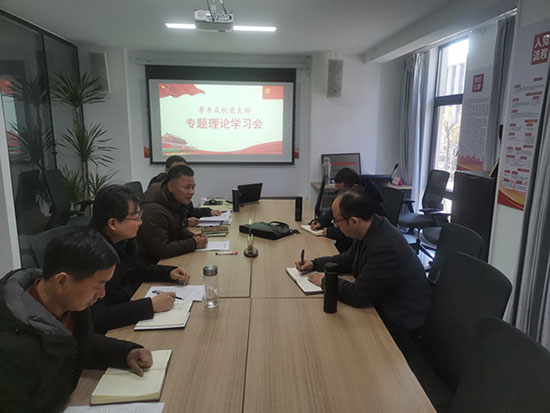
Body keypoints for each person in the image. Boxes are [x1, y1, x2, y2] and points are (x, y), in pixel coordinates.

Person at [0, 227, 153, 412]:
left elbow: (78, 345)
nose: (102, 294)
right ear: (62, 281)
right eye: (98, 285)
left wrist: (124, 353)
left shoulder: (71, 305)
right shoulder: (10, 348)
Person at [297, 189, 431, 336]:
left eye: (337, 222)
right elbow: (350, 258)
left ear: (353, 221)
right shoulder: (371, 226)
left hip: (401, 322)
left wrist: (327, 281)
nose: (336, 226)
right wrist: (315, 264)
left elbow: (359, 295)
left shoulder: (384, 248)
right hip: (382, 303)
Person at [89, 184, 191, 333]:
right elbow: (96, 317)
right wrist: (149, 306)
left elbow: (135, 270)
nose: (140, 222)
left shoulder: (124, 240)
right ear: (113, 223)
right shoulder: (92, 256)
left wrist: (168, 273)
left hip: (127, 304)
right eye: (136, 217)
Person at [139, 164, 208, 263]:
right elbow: (162, 249)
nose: (192, 192)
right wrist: (193, 243)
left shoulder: (173, 199)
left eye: (193, 187)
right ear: (171, 186)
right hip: (152, 264)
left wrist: (192, 237)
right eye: (187, 187)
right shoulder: (153, 210)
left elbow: (177, 227)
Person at [311, 168, 386, 252]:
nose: (339, 195)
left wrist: (334, 232)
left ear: (355, 187)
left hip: (358, 248)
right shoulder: (350, 196)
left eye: (342, 191)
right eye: (338, 191)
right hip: (349, 247)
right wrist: (320, 221)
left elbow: (355, 231)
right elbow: (334, 212)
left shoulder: (370, 205)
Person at [148, 155, 221, 226]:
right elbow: (163, 219)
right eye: (176, 170)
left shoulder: (182, 190)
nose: (191, 192)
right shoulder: (159, 188)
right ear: (167, 171)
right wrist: (185, 222)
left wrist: (209, 212)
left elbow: (189, 210)